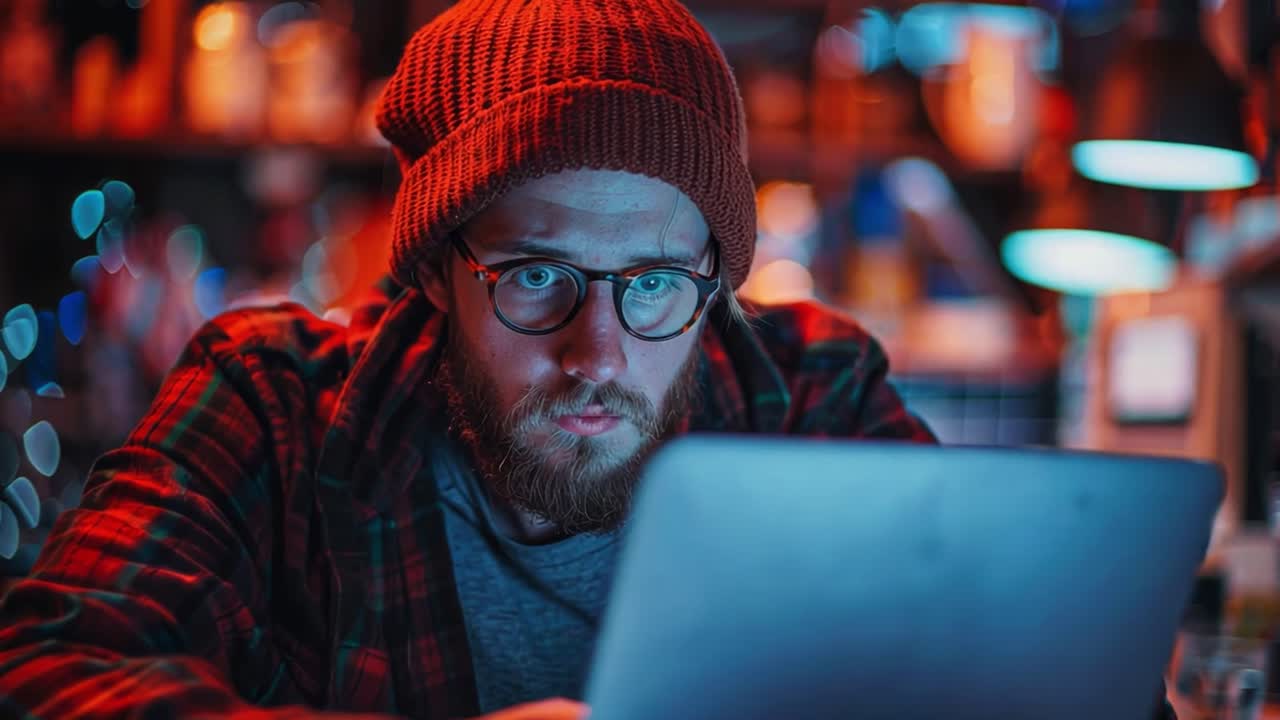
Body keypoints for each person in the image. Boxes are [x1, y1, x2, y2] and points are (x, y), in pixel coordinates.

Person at [0, 1, 1169, 718]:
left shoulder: (810, 395)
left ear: (714, 280)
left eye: (653, 281)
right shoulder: (273, 402)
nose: (595, 351)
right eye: (534, 275)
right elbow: (43, 672)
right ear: (434, 271)